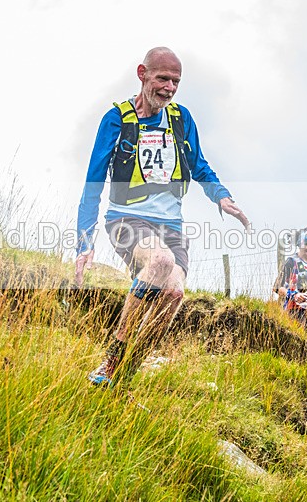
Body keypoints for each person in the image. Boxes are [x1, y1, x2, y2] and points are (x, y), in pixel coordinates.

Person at [75, 47, 250, 388]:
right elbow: (92, 183)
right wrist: (85, 243)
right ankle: (111, 360)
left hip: (170, 225)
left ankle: (126, 374)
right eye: (162, 79)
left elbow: (199, 164)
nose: (169, 89)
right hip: (126, 219)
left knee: (173, 295)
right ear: (142, 74)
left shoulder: (181, 119)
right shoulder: (117, 120)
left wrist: (222, 196)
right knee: (159, 260)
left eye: (176, 82)